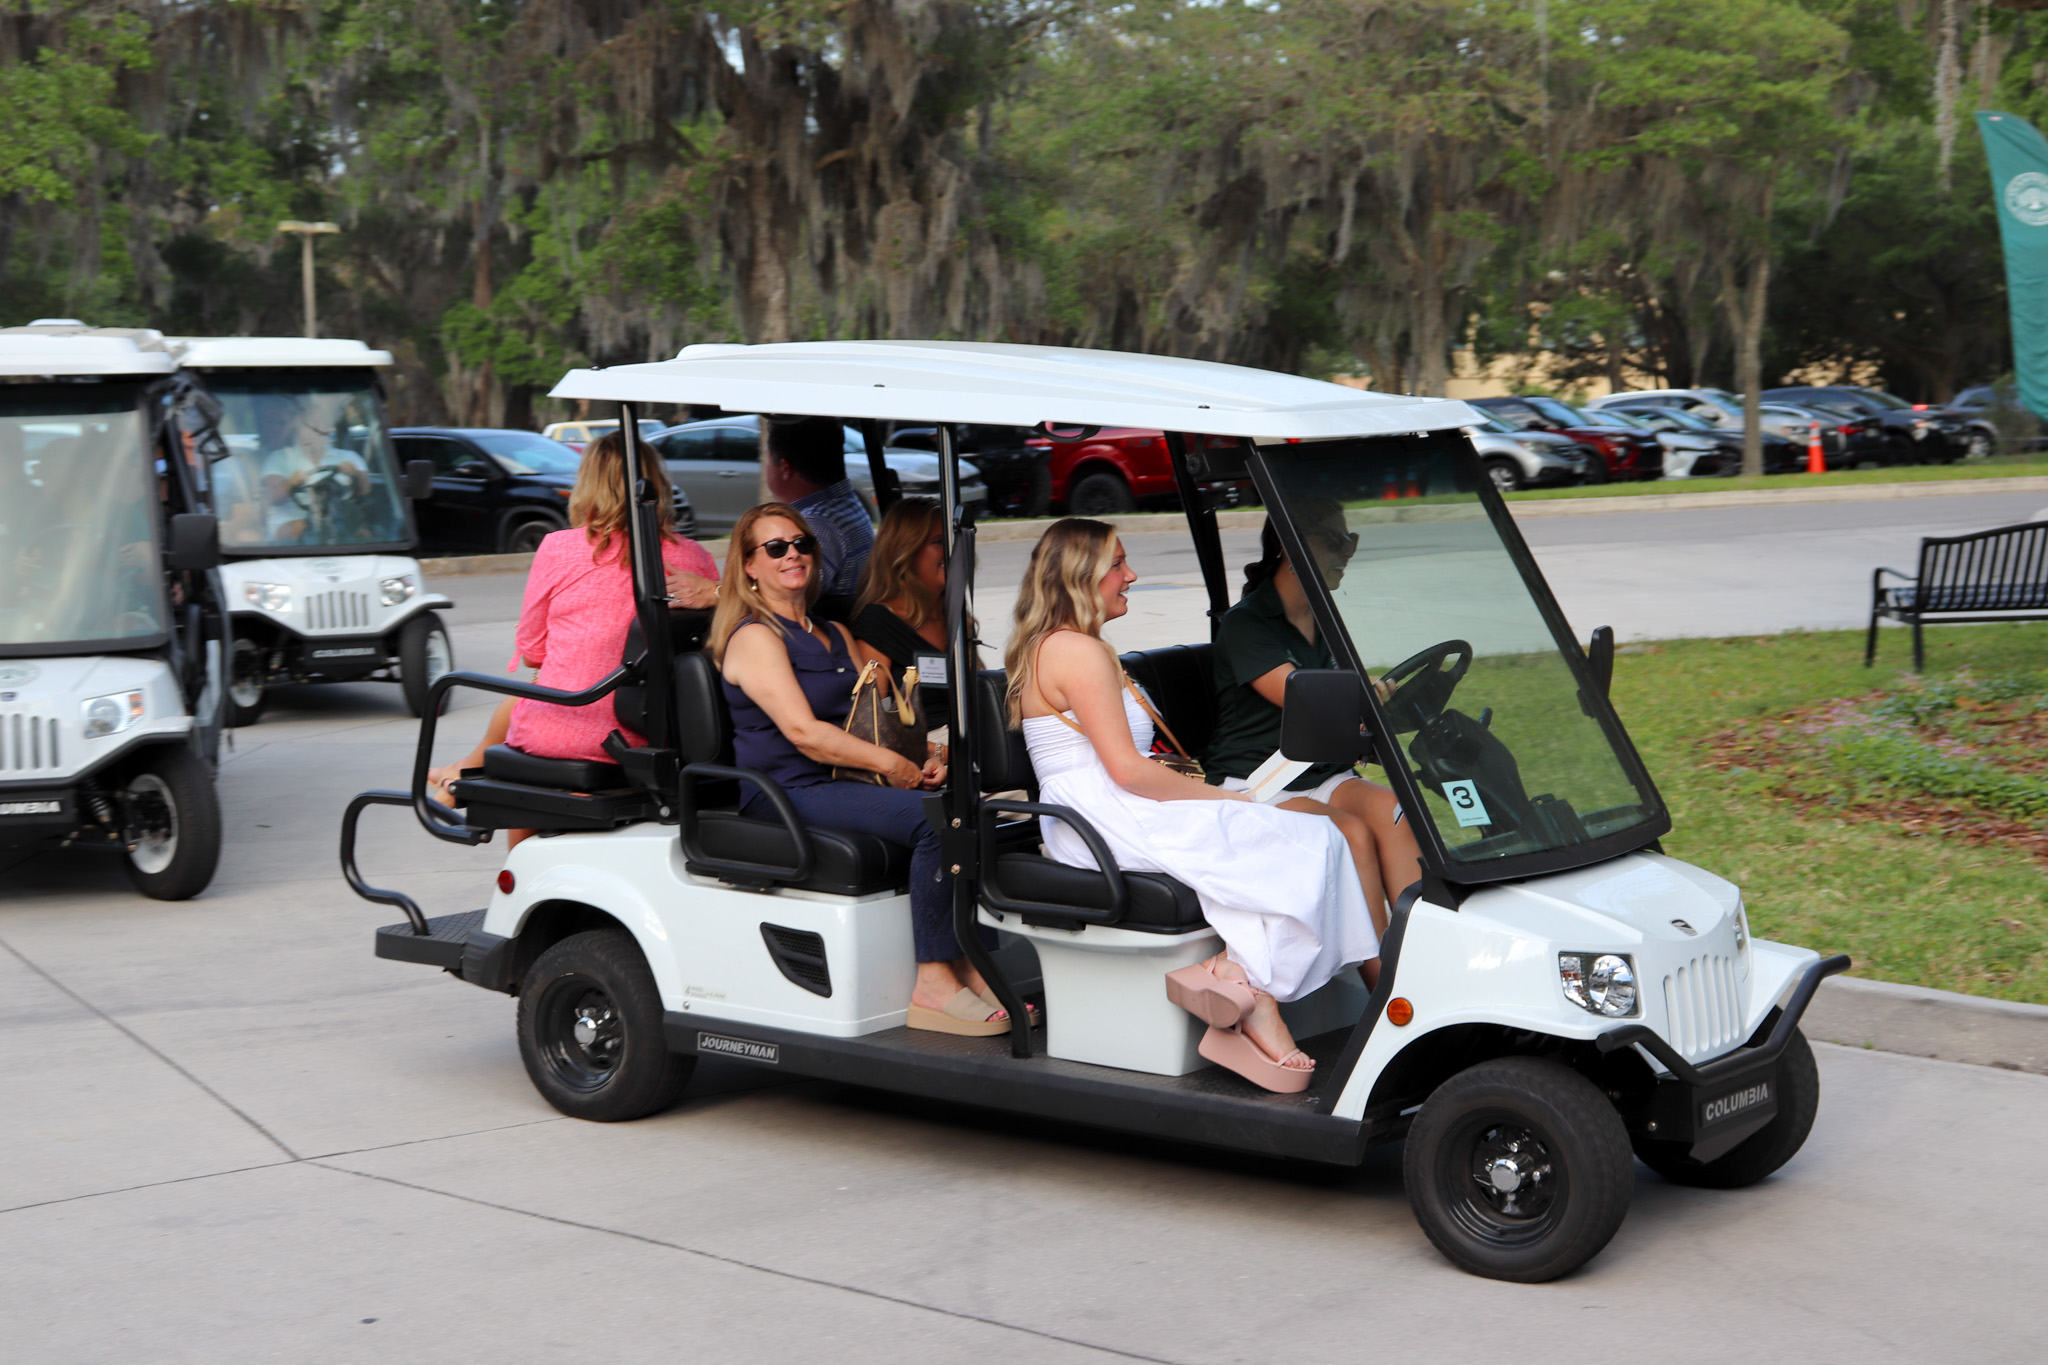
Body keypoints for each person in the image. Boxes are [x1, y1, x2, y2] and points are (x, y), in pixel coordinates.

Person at [1007, 518, 1381, 1093]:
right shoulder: (1075, 651)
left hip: (1114, 804)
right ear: (1082, 577)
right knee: (1293, 834)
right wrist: (1221, 797)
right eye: (1118, 565)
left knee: (1308, 835)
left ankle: (1240, 978)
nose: (1131, 575)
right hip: (1102, 813)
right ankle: (1253, 997)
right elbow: (1127, 768)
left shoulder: (1073, 647)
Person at [713, 501, 1026, 1036]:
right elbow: (805, 735)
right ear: (748, 565)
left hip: (841, 779)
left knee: (969, 807)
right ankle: (932, 979)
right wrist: (892, 766)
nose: (793, 554)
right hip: (786, 789)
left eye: (802, 544)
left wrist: (924, 757)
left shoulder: (834, 633)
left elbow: (878, 720)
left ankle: (972, 962)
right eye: (776, 548)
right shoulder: (754, 637)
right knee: (938, 822)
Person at [426, 432, 718, 841]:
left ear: (589, 484)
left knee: (536, 691)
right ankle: (459, 772)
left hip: (575, 727)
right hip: (658, 732)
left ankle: (517, 876)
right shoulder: (696, 558)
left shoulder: (559, 549)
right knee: (537, 692)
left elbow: (532, 652)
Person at [1206, 518, 1421, 929]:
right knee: (1350, 834)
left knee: (1396, 810)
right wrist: (1366, 695)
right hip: (1259, 783)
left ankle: (1422, 952)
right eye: (1337, 540)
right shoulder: (1247, 624)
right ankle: (1386, 982)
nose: (1348, 551)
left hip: (1320, 772)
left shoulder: (1325, 618)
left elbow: (1348, 694)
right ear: (1290, 547)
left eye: (1352, 538)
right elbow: (1303, 699)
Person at [761, 415, 873, 618]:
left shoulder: (816, 525)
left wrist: (716, 592)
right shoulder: (845, 503)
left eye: (767, 459)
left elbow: (786, 597)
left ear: (785, 468)